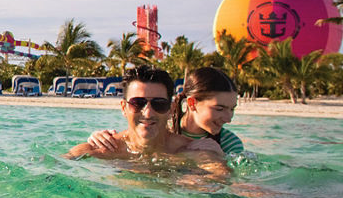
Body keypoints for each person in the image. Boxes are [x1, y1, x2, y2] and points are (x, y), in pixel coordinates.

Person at [66, 65, 225, 169]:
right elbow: (54, 167)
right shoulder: (100, 150)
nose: (148, 113)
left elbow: (225, 182)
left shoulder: (193, 152)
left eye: (159, 104)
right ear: (124, 107)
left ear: (170, 109)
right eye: (138, 103)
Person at [172, 67, 246, 156]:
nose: (228, 119)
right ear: (192, 103)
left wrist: (221, 157)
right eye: (220, 109)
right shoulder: (162, 133)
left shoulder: (230, 143)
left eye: (232, 109)